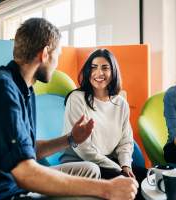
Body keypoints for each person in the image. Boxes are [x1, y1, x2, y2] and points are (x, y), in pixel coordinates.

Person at [0, 18, 138, 200]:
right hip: (1, 192)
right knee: (95, 194)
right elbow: (25, 173)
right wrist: (106, 189)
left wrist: (70, 139)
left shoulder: (25, 90)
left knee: (88, 170)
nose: (57, 63)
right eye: (57, 56)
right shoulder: (1, 89)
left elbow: (28, 150)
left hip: (16, 181)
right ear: (45, 53)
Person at [60, 49, 146, 199]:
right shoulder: (77, 99)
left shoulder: (121, 103)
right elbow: (83, 149)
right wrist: (118, 169)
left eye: (105, 68)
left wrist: (126, 165)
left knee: (147, 179)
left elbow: (126, 142)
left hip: (109, 163)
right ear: (88, 71)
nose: (98, 73)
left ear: (113, 72)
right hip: (82, 163)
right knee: (128, 187)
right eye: (93, 67)